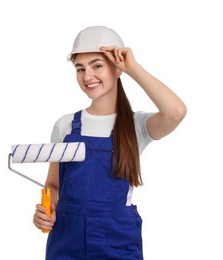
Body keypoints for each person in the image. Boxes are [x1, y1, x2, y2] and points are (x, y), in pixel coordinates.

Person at [33, 25, 187, 259]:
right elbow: (53, 185)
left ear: (117, 68)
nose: (87, 77)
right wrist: (48, 210)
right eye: (80, 68)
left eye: (97, 66)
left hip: (118, 241)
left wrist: (132, 68)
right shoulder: (64, 126)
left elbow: (176, 111)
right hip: (67, 240)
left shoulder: (136, 126)